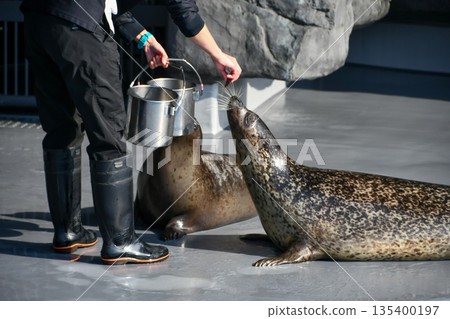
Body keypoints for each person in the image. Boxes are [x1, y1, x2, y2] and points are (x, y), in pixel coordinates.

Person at [20, 0, 242, 265]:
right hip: (82, 32)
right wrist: (218, 55)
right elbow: (185, 12)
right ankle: (120, 242)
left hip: (40, 20)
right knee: (109, 138)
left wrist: (143, 37)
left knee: (61, 129)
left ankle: (68, 232)